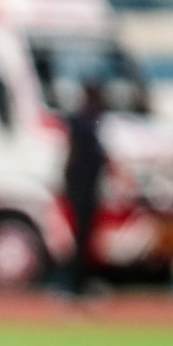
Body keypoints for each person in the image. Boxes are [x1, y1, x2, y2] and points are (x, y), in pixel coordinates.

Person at [63, 81, 108, 297]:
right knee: (82, 240)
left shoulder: (86, 122)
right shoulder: (86, 124)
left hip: (83, 191)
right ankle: (76, 285)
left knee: (83, 240)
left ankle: (78, 283)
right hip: (84, 192)